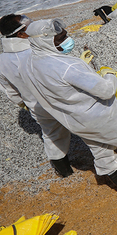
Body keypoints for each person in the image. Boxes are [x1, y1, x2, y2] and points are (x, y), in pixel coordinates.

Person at [20, 19, 117, 197]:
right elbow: (105, 91)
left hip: (74, 121)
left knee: (101, 150)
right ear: (45, 40)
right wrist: (109, 74)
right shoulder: (67, 66)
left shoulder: (27, 64)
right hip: (100, 116)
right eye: (61, 38)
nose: (67, 39)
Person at [0, 15, 73, 178]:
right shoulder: (36, 50)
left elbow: (10, 92)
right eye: (29, 25)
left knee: (51, 134)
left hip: (36, 106)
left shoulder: (2, 61)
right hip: (62, 98)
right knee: (89, 126)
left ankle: (64, 172)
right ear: (20, 34)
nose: (34, 25)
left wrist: (25, 104)